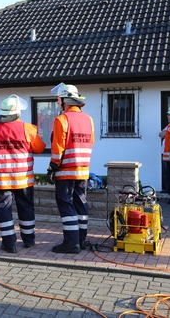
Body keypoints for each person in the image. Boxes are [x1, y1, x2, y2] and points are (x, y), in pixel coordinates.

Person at [0, 94, 46, 253]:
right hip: (23, 180)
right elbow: (40, 148)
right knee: (26, 209)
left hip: (0, 181)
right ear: (17, 112)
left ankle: (9, 244)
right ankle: (29, 241)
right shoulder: (28, 129)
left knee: (4, 211)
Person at [47, 83, 94, 254]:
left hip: (66, 170)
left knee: (65, 204)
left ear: (65, 100)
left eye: (59, 99)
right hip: (83, 170)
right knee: (80, 203)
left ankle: (71, 243)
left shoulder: (62, 119)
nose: (58, 102)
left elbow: (58, 147)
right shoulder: (88, 119)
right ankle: (81, 240)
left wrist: (52, 167)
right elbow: (91, 142)